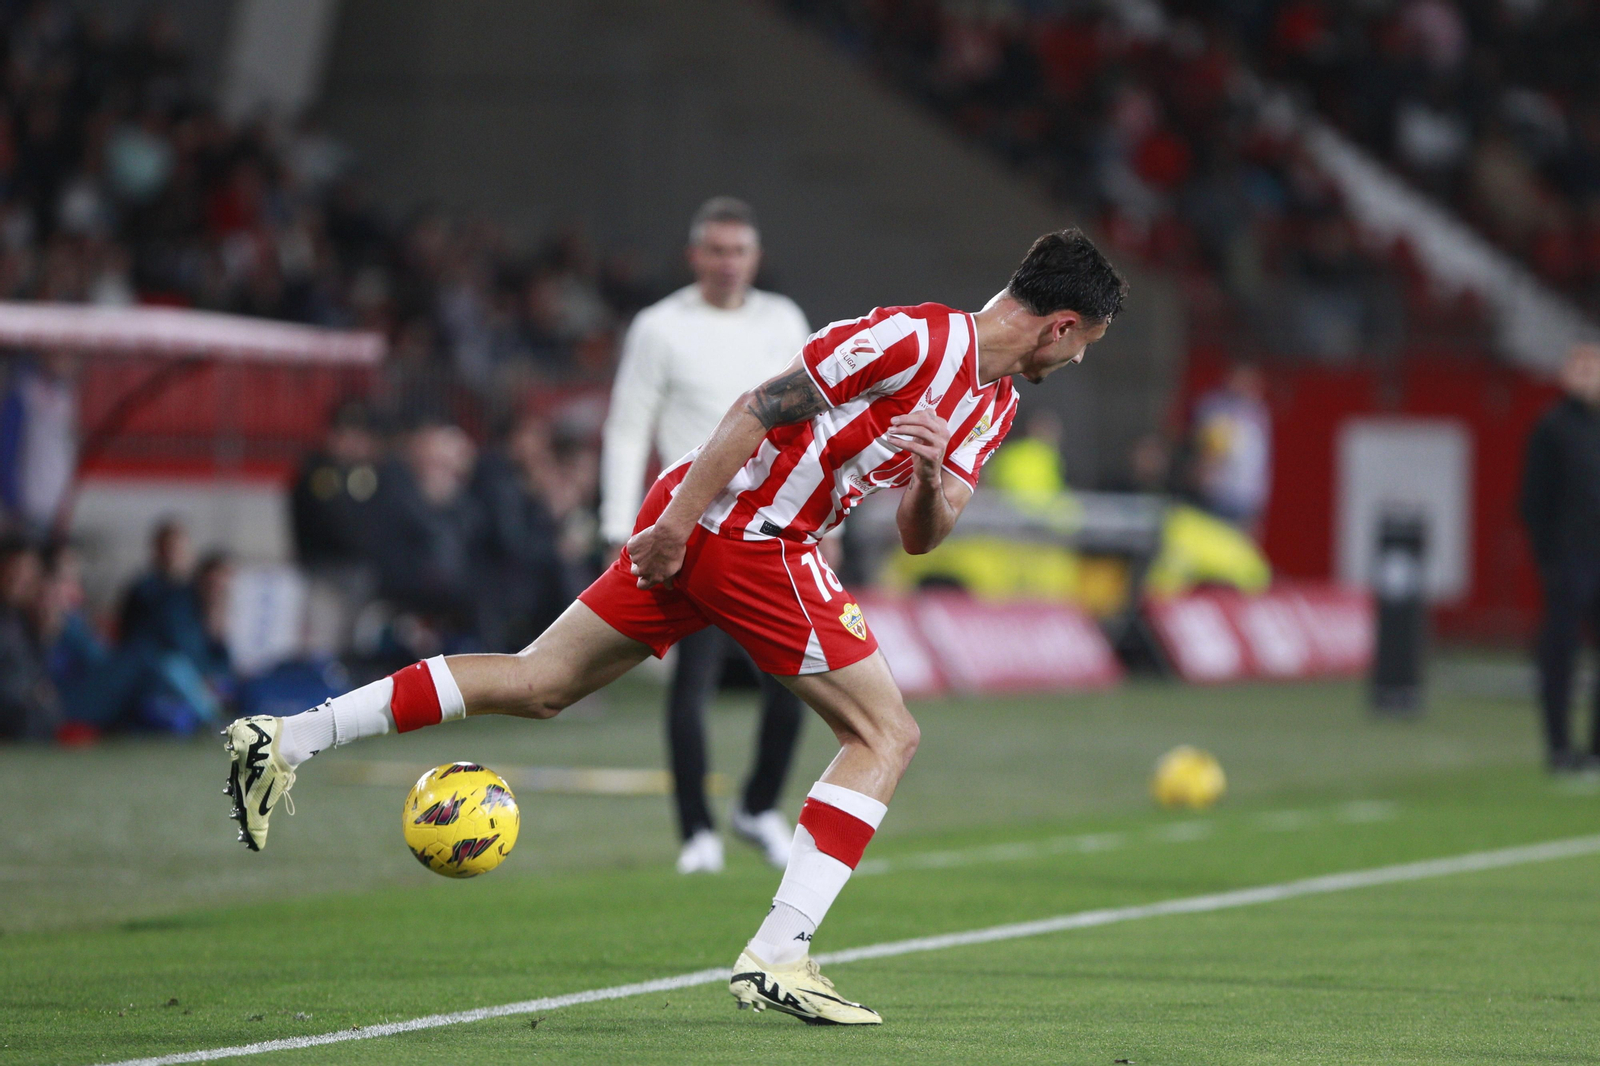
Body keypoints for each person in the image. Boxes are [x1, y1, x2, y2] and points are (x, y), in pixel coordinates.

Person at [223, 228, 1126, 1025]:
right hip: (746, 532)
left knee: (541, 684)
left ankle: (286, 738)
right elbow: (757, 409)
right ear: (1061, 325)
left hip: (735, 532)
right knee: (886, 732)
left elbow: (925, 538)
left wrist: (928, 476)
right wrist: (674, 525)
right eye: (1086, 341)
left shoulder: (994, 404)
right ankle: (781, 951)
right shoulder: (911, 336)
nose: (1080, 359)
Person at [600, 196, 813, 874]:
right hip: (686, 525)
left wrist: (824, 518)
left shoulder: (783, 321)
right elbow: (628, 426)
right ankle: (696, 833)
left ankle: (756, 806)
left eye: (738, 251)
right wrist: (616, 525)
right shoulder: (659, 327)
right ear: (695, 256)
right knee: (691, 681)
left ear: (755, 257)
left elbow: (814, 422)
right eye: (715, 250)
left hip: (771, 524)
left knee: (798, 674)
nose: (727, 263)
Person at [1520, 342, 1600, 773]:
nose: (1587, 374)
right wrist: (1549, 557)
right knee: (1561, 654)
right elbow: (1533, 500)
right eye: (1580, 366)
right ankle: (1559, 747)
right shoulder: (1551, 428)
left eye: (1594, 366)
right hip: (1570, 557)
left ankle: (1596, 749)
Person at [1189, 362, 1272, 535]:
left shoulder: (1258, 413)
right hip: (1218, 495)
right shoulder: (1215, 408)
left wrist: (1259, 504)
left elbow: (1259, 464)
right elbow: (1206, 450)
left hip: (1246, 499)